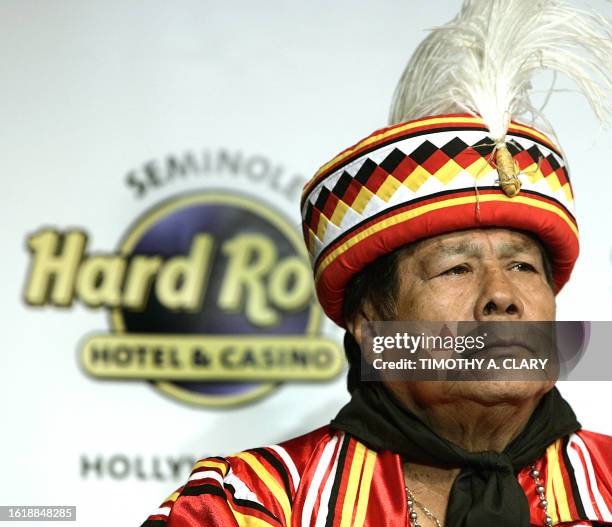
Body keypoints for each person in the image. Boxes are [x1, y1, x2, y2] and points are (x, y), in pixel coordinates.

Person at [141, 1, 612, 525]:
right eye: (456, 268)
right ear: (370, 326)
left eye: (523, 266)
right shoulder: (251, 503)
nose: (501, 294)